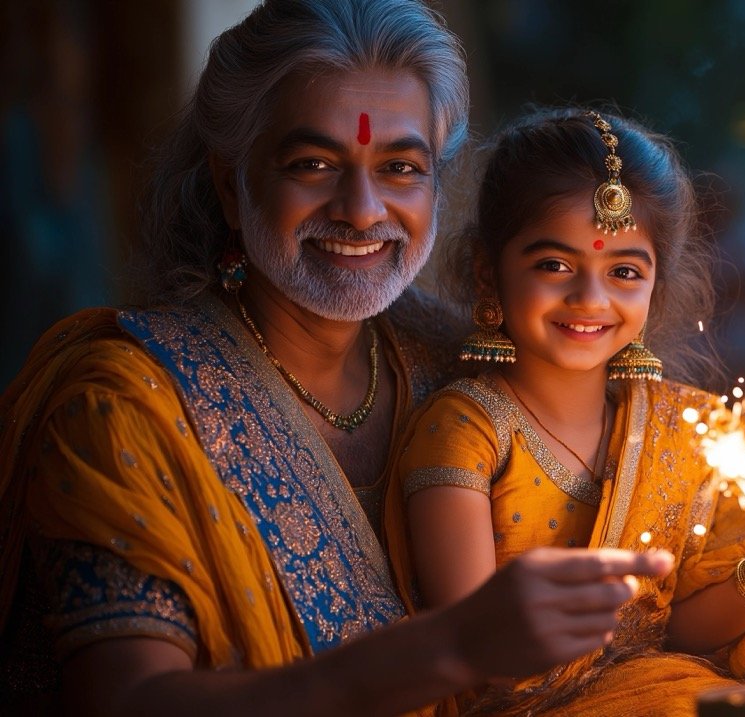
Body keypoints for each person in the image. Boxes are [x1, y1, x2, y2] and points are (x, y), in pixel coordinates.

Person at [0, 2, 673, 715]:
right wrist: (450, 648)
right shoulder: (123, 406)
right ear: (232, 184)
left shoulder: (461, 370)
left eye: (400, 167)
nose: (360, 209)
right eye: (314, 164)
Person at [385, 108, 745, 716]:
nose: (589, 299)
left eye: (624, 271)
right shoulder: (465, 431)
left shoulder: (684, 435)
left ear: (656, 285)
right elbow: (475, 649)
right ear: (488, 272)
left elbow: (682, 634)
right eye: (555, 265)